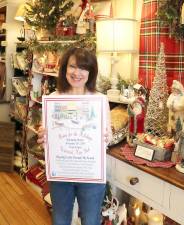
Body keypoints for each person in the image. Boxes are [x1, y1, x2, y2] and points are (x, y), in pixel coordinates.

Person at [37, 47, 112, 225]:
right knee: (60, 219)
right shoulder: (53, 100)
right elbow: (47, 139)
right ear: (64, 69)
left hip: (90, 173)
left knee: (91, 220)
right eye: (72, 66)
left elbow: (106, 137)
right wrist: (43, 138)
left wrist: (105, 136)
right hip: (61, 172)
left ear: (90, 72)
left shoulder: (99, 101)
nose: (77, 73)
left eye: (83, 68)